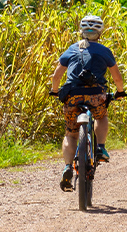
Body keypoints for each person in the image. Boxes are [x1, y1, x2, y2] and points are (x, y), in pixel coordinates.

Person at [50, 15, 123, 192]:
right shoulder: (104, 51)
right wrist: (120, 91)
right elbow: (117, 78)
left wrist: (54, 90)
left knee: (71, 133)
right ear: (100, 32)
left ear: (81, 31)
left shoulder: (71, 49)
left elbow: (57, 75)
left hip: (72, 95)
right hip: (96, 94)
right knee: (101, 116)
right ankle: (100, 148)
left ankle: (68, 166)